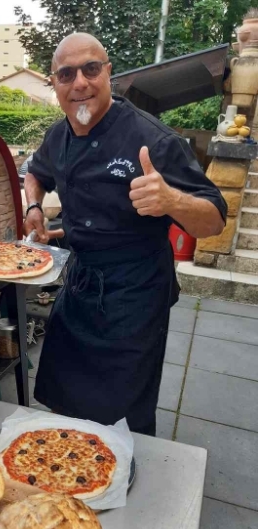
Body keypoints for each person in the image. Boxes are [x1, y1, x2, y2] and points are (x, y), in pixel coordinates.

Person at [23, 33, 227, 436]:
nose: (79, 82)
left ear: (108, 74)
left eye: (90, 69)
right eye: (66, 74)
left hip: (136, 294)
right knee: (64, 399)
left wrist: (171, 200)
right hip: (80, 285)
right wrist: (33, 207)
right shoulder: (58, 135)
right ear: (55, 84)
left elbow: (215, 219)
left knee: (124, 419)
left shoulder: (152, 139)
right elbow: (36, 173)